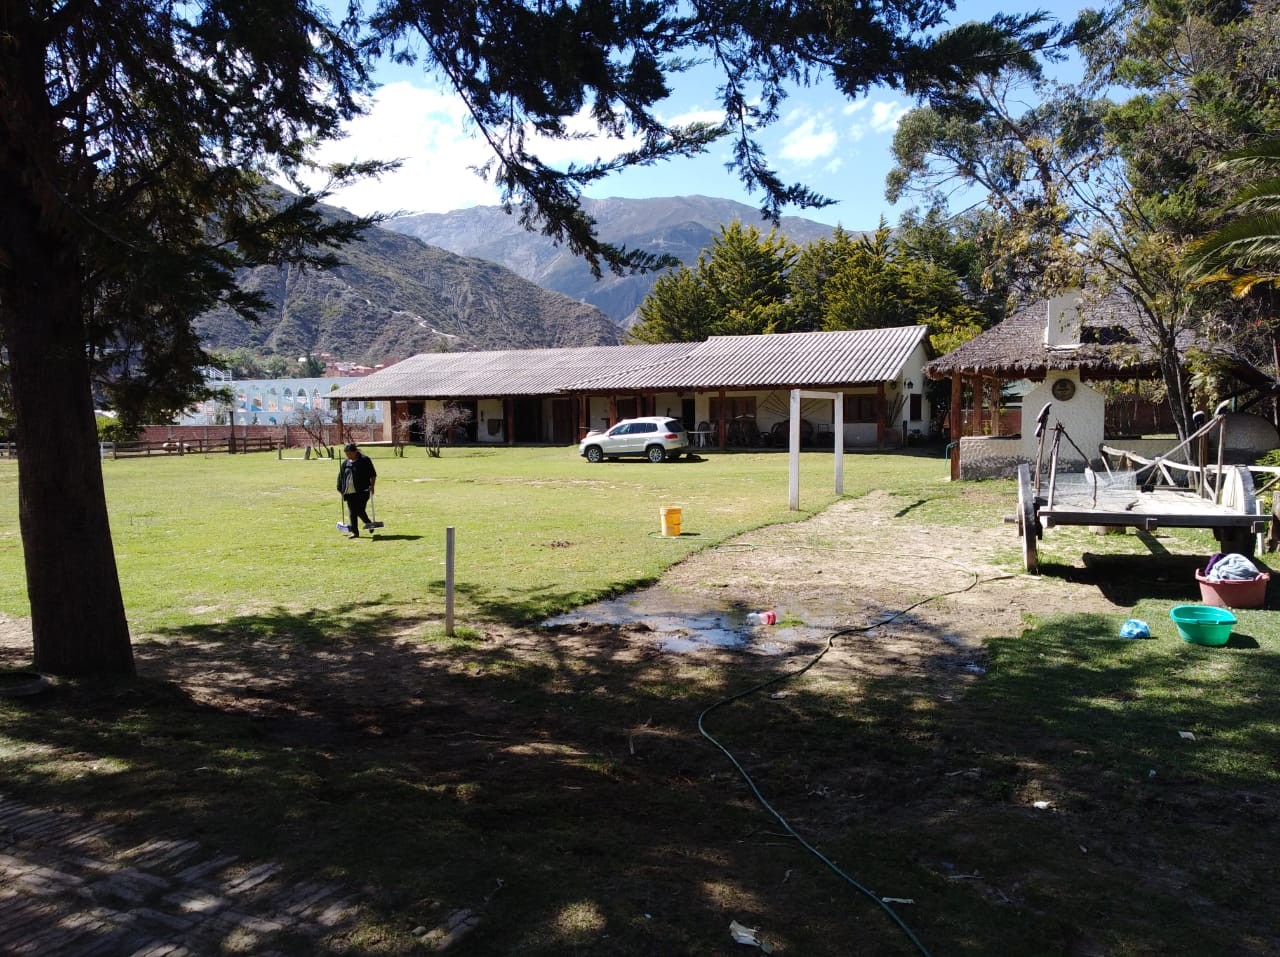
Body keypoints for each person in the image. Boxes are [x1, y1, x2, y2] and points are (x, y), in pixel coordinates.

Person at [336, 442, 377, 539]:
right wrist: (340, 488)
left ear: (355, 451)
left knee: (359, 510)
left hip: (363, 490)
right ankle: (355, 533)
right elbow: (341, 476)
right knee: (352, 512)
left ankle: (369, 523)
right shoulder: (345, 463)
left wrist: (372, 486)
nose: (348, 455)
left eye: (350, 453)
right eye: (346, 454)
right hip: (349, 491)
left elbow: (373, 474)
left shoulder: (364, 460)